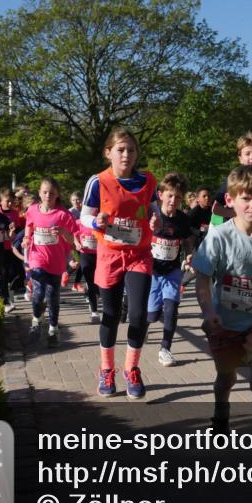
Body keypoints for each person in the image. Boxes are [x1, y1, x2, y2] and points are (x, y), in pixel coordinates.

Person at [193, 165, 252, 445]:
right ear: (231, 200)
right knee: (226, 379)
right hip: (225, 322)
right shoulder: (219, 237)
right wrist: (208, 312)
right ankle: (221, 415)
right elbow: (202, 277)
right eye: (246, 198)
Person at [81, 128, 161, 400]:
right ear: (108, 153)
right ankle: (106, 370)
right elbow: (84, 216)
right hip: (109, 254)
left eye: (131, 150)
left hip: (139, 254)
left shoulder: (148, 180)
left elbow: (154, 208)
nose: (126, 155)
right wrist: (96, 222)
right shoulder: (98, 181)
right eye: (120, 150)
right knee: (112, 314)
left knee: (138, 314)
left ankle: (132, 368)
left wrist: (155, 219)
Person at [24, 178, 78, 348]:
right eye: (45, 192)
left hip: (55, 261)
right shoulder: (32, 210)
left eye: (52, 193)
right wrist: (26, 238)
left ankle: (53, 329)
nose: (48, 195)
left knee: (52, 297)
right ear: (39, 193)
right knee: (39, 292)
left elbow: (73, 239)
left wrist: (62, 232)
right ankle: (36, 321)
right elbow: (29, 225)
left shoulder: (63, 214)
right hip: (36, 258)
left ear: (58, 194)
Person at [148, 173, 194, 367]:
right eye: (170, 196)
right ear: (161, 195)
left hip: (173, 271)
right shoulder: (152, 213)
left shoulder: (182, 219)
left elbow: (187, 240)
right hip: (152, 271)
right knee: (151, 315)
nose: (173, 201)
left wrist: (190, 253)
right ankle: (145, 324)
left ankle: (165, 348)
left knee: (172, 308)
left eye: (177, 197)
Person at [214, 131, 252, 220]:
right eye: (247, 154)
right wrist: (239, 213)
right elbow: (216, 208)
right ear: (240, 158)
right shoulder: (235, 179)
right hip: (232, 227)